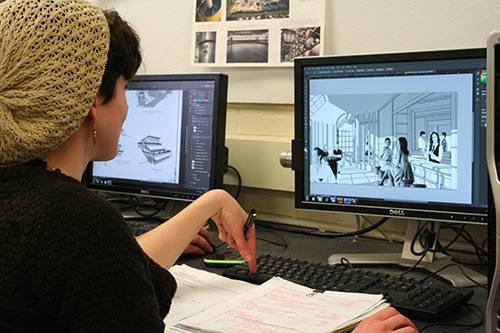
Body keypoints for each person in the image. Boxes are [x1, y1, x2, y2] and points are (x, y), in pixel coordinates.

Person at [0, 1, 417, 332]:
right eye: (126, 88)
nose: (128, 106)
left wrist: (211, 201)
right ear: (93, 104)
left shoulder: (31, 206)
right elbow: (98, 259)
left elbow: (108, 269)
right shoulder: (75, 223)